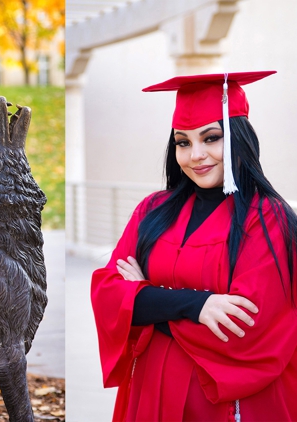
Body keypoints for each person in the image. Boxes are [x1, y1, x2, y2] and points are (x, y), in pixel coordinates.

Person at [91, 71, 297, 421]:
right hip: (150, 394)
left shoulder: (267, 219)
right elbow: (109, 295)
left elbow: (247, 330)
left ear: (238, 138)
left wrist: (148, 299)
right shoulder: (153, 210)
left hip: (224, 405)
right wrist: (196, 304)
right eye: (183, 142)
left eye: (211, 138)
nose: (196, 155)